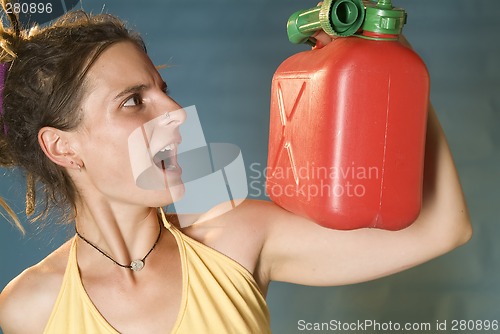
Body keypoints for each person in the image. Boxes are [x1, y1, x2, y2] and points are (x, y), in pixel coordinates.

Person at [0, 3, 471, 334]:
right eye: (133, 101)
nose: (177, 111)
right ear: (61, 147)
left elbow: (442, 228)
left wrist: (388, 51)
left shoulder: (234, 238)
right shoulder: (27, 309)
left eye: (164, 88)